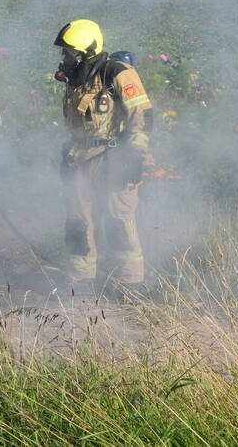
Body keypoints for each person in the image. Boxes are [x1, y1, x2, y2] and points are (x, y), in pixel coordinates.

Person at [53, 19, 152, 286]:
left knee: (119, 221)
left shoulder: (116, 73)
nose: (65, 56)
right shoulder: (75, 80)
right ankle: (81, 284)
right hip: (79, 159)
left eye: (69, 50)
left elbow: (141, 116)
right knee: (77, 223)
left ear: (85, 50)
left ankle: (130, 285)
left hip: (114, 159)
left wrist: (135, 158)